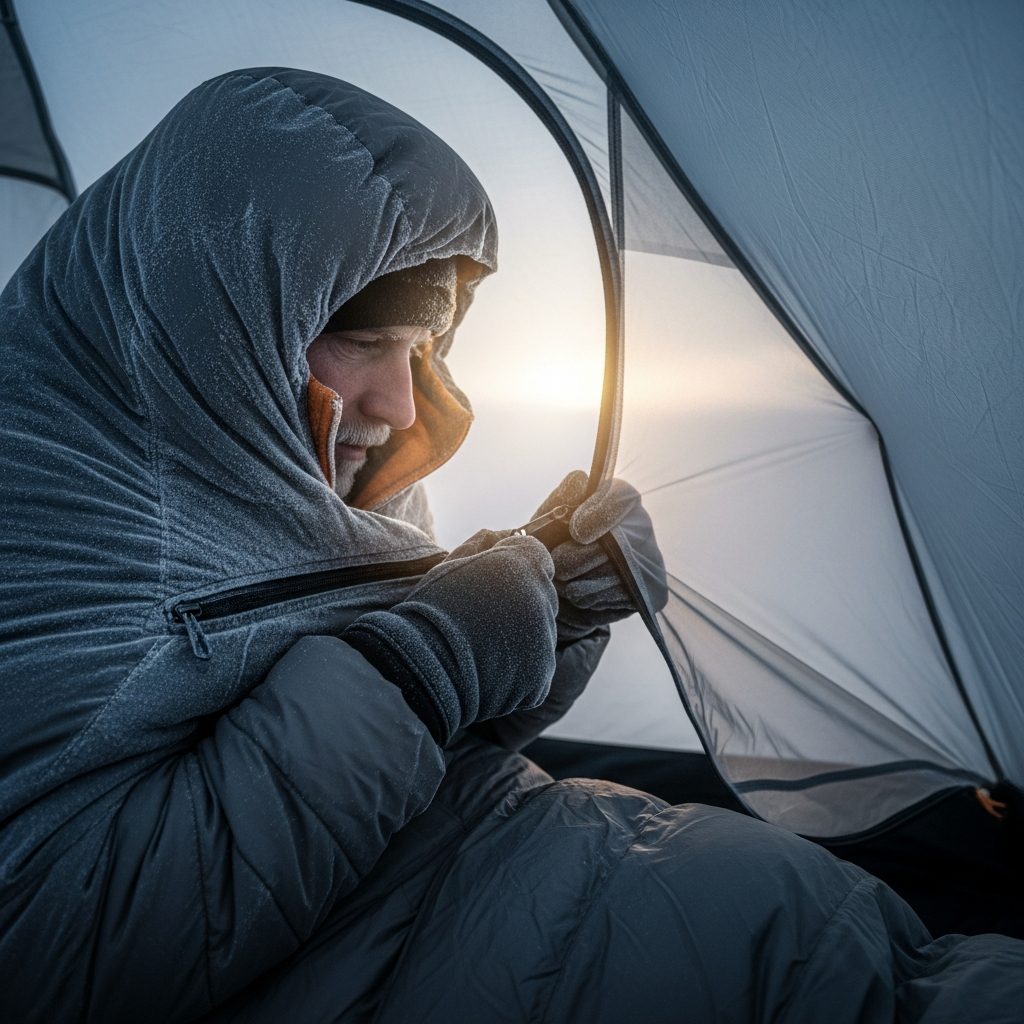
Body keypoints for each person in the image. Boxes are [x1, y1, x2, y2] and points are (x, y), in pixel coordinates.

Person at [0, 68, 1021, 1024]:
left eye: (424, 348)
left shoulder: (283, 458)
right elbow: (50, 956)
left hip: (577, 893)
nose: (401, 405)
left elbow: (382, 788)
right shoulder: (41, 521)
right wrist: (427, 661)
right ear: (221, 301)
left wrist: (539, 619)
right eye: (363, 337)